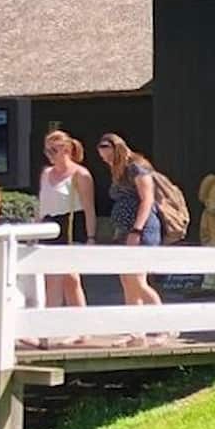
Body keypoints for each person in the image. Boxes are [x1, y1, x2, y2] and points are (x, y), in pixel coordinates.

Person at [96, 133, 168, 345]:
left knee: (138, 281)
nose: (105, 160)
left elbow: (147, 200)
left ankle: (165, 325)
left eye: (107, 155)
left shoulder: (136, 166)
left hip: (141, 230)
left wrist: (136, 231)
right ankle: (136, 330)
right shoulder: (118, 170)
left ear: (115, 148)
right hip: (123, 230)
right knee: (127, 281)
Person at [35, 130, 97, 347]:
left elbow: (89, 208)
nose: (50, 155)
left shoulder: (80, 174)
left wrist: (91, 237)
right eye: (47, 150)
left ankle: (50, 332)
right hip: (48, 227)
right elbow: (42, 204)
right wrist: (35, 230)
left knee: (66, 278)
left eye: (54, 150)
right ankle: (73, 329)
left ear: (67, 150)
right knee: (62, 280)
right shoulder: (45, 173)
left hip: (70, 226)